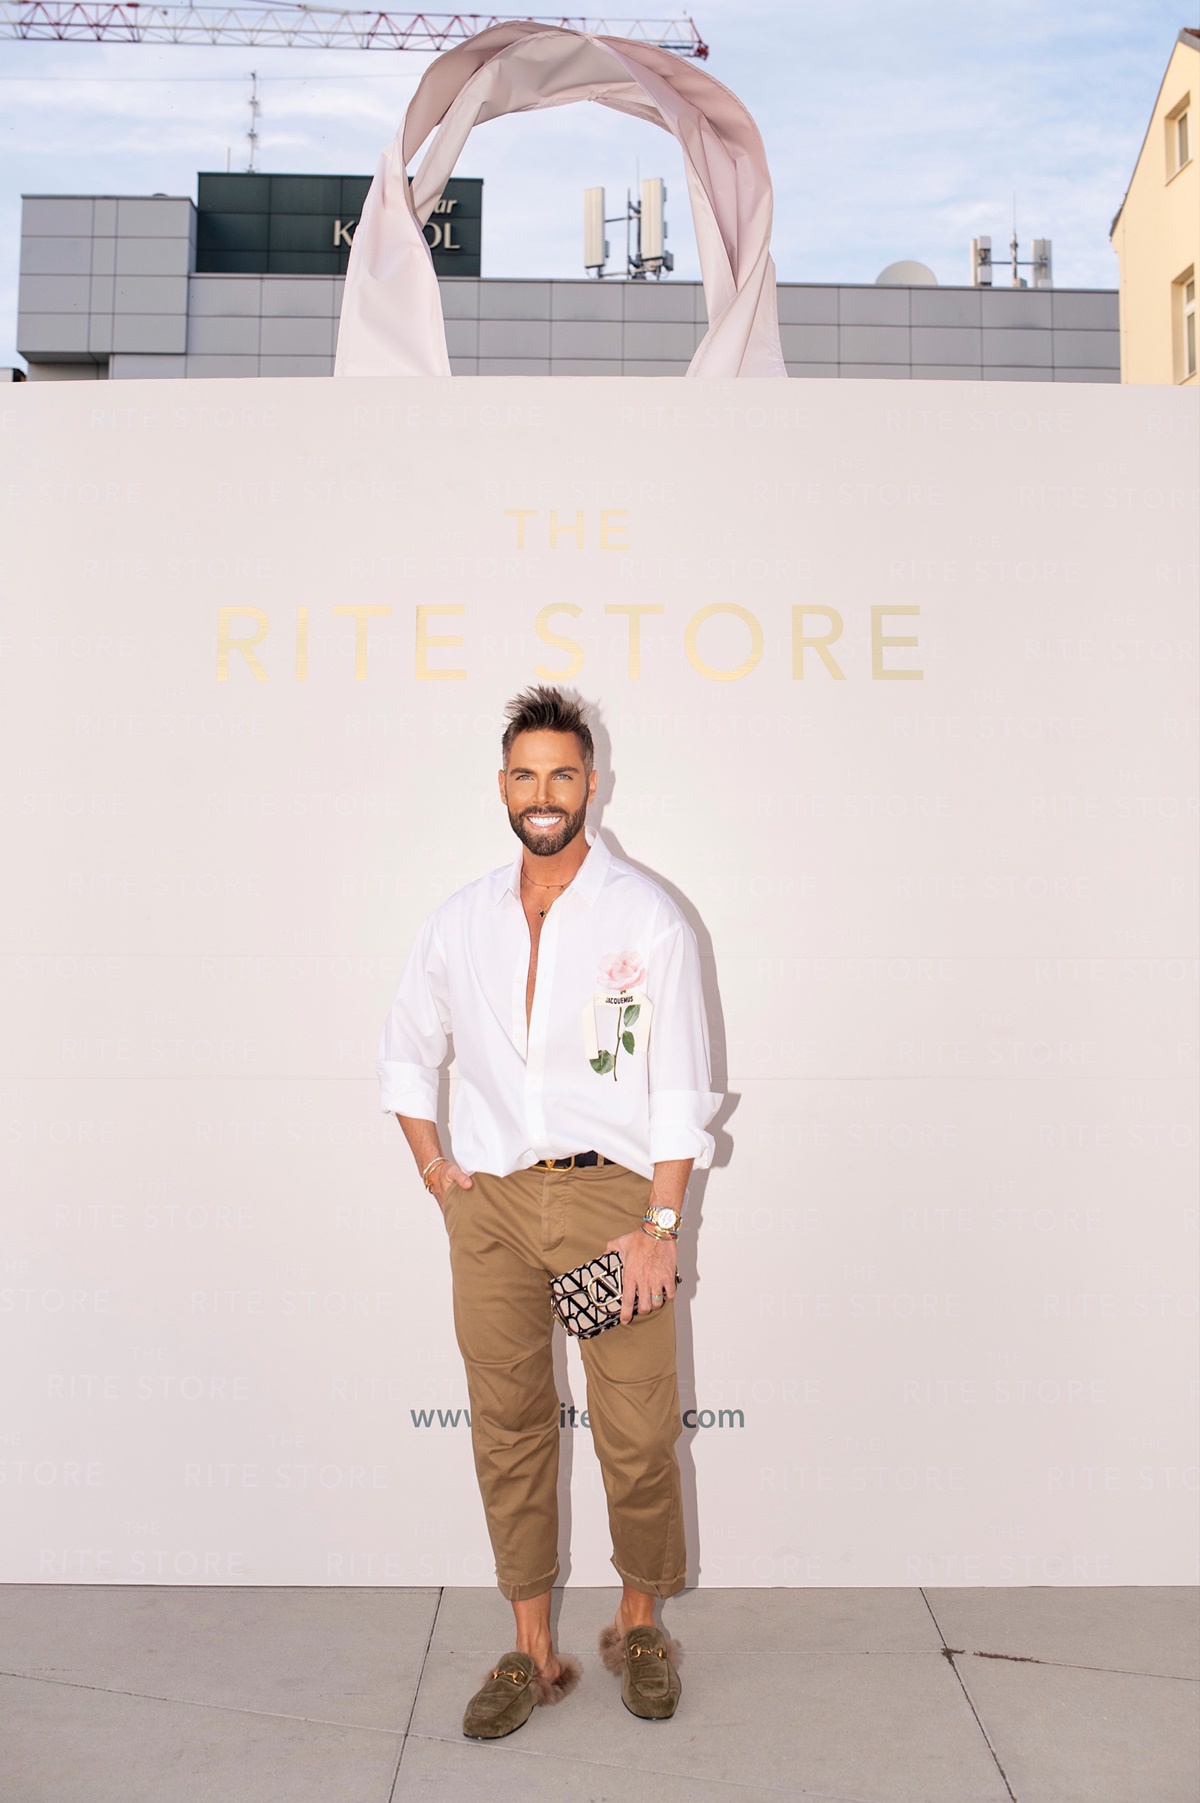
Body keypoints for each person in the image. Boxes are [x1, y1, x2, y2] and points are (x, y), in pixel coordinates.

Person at [377, 683, 719, 1739]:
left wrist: (661, 1226)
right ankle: (531, 1648)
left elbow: (680, 1084)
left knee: (637, 1432)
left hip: (613, 1204)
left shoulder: (645, 916)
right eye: (525, 775)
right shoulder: (460, 919)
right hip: (491, 1207)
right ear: (502, 787)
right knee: (510, 1429)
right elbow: (406, 1053)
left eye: (561, 774)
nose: (543, 793)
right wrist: (437, 1174)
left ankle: (638, 1623)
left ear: (591, 784)